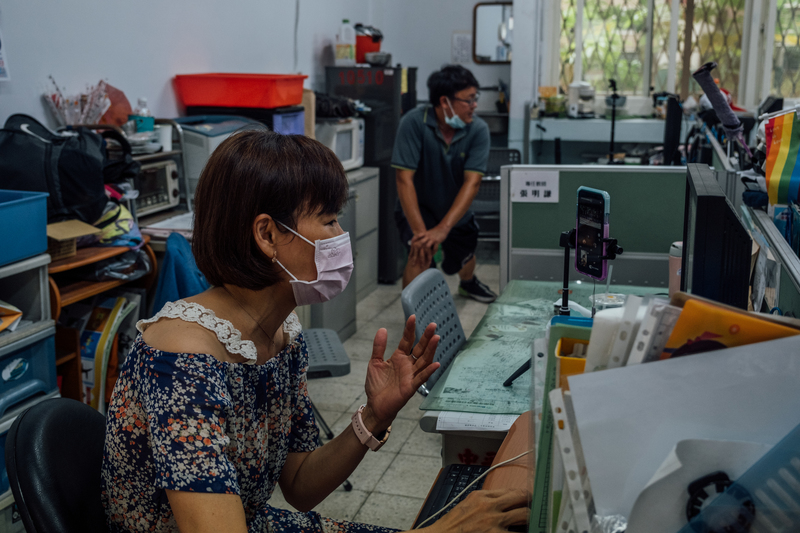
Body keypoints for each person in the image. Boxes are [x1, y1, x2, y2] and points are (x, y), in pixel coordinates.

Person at [101, 129, 529, 533]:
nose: (341, 237)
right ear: (267, 234)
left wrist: (374, 416)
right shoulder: (182, 359)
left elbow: (301, 485)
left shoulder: (280, 333)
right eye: (328, 222)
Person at [392, 65, 497, 302]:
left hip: (456, 210)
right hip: (418, 208)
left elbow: (473, 183)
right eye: (469, 100)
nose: (475, 105)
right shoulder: (414, 123)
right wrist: (421, 233)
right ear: (445, 102)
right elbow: (403, 178)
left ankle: (468, 283)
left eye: (475, 98)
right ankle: (415, 320)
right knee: (419, 253)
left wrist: (444, 228)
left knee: (465, 257)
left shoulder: (477, 130)